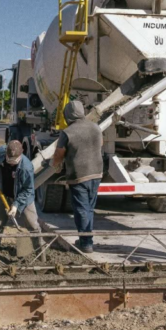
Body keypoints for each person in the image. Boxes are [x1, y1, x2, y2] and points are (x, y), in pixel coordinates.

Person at [52, 101, 103, 253]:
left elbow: (59, 153)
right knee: (89, 208)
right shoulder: (95, 127)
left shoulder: (67, 132)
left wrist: (55, 166)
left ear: (67, 115)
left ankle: (86, 243)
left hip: (79, 175)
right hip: (97, 172)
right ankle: (85, 238)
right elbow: (100, 143)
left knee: (81, 209)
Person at [0, 140, 45, 260]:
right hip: (3, 193)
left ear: (21, 155)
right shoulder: (1, 151)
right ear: (6, 154)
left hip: (23, 197)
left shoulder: (27, 167)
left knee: (33, 225)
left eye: (14, 162)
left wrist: (16, 205)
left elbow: (28, 190)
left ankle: (40, 254)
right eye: (9, 160)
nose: (11, 164)